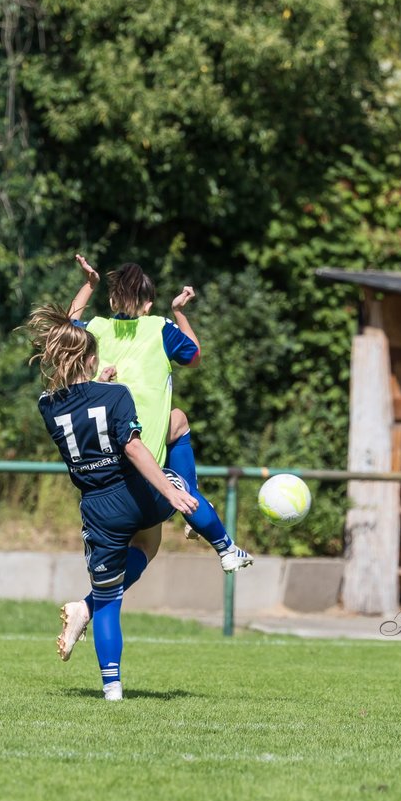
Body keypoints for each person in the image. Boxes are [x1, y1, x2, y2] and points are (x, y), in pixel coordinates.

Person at [55, 255, 252, 661]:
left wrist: (88, 284)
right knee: (153, 530)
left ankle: (90, 612)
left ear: (112, 300)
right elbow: (194, 355)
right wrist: (179, 313)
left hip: (99, 459)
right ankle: (213, 533)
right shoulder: (160, 327)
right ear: (148, 303)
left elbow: (66, 326)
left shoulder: (96, 328)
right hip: (142, 452)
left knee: (177, 422)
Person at [26, 303, 198, 700]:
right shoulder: (117, 394)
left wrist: (94, 380)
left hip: (95, 507)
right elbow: (133, 447)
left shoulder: (46, 406)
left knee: (109, 595)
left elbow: (81, 406)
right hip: (132, 491)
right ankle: (212, 533)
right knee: (178, 442)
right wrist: (172, 489)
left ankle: (112, 689)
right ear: (90, 358)